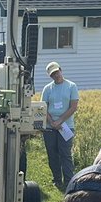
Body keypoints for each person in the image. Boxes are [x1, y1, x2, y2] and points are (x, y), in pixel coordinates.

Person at [41, 61, 79, 190]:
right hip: (50, 126)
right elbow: (44, 107)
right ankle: (57, 179)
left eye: (57, 72)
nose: (56, 75)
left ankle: (69, 180)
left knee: (65, 153)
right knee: (52, 153)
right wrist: (52, 122)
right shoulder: (47, 89)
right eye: (53, 74)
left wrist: (60, 121)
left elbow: (73, 107)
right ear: (50, 76)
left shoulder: (71, 86)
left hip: (66, 125)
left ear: (61, 70)